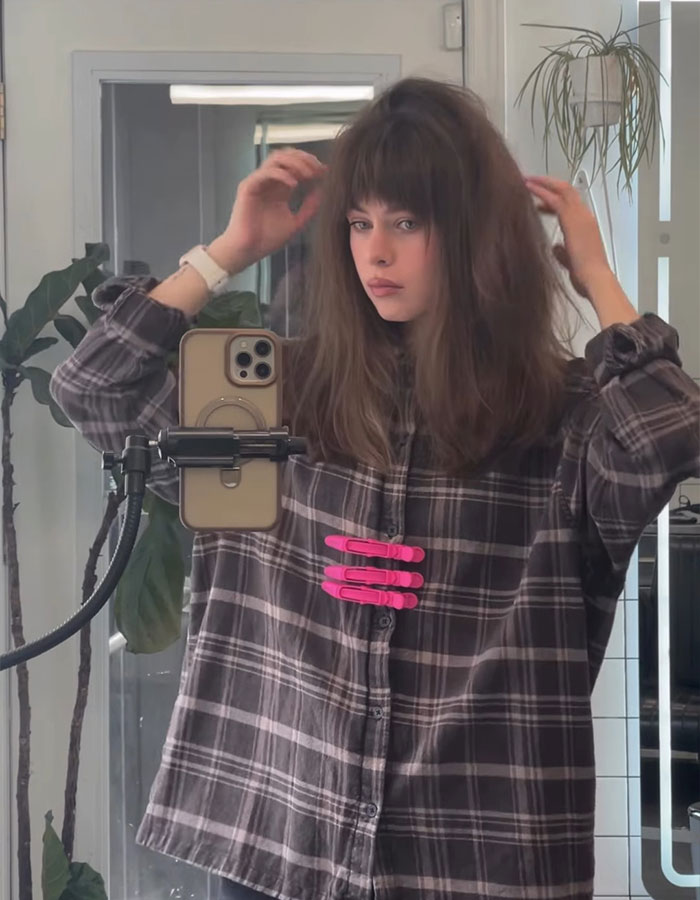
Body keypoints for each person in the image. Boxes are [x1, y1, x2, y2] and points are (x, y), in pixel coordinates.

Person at [50, 77, 700, 900]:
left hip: (476, 847)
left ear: (475, 238)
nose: (375, 253)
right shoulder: (284, 391)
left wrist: (598, 277)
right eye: (358, 223)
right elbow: (94, 390)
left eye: (406, 222)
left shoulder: (559, 418)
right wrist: (224, 253)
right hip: (284, 831)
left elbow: (669, 438)